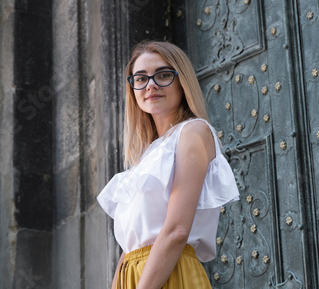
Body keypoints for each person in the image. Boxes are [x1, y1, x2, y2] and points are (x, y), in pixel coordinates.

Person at [97, 41, 239, 289]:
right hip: (134, 275)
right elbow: (131, 247)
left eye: (163, 75)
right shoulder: (145, 156)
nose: (150, 85)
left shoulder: (193, 132)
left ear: (181, 81)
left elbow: (176, 231)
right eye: (140, 79)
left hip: (170, 274)